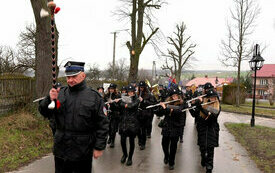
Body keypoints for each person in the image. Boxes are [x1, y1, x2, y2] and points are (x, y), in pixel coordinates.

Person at [39, 61, 109, 173]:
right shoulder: (60, 94)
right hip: (61, 151)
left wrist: (99, 147)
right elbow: (44, 112)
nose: (70, 80)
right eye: (68, 77)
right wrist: (49, 99)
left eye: (74, 76)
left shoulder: (94, 97)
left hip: (82, 152)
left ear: (83, 75)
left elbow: (102, 124)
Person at [189, 82, 221, 173]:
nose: (212, 99)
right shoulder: (204, 103)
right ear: (207, 98)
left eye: (214, 98)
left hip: (212, 130)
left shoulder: (217, 107)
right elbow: (195, 115)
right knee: (202, 149)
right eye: (210, 98)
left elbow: (211, 117)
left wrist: (201, 106)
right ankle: (203, 159)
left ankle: (209, 168)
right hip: (202, 129)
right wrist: (192, 106)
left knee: (210, 151)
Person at [158, 87, 187, 170]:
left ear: (178, 96)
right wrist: (161, 107)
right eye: (173, 96)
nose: (174, 97)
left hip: (176, 127)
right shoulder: (168, 102)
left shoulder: (182, 103)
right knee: (164, 143)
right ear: (170, 97)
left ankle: (171, 162)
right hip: (167, 126)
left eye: (176, 96)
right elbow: (160, 113)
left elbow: (179, 112)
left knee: (173, 146)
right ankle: (166, 155)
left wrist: (167, 108)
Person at [118, 85, 140, 166]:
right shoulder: (123, 98)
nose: (130, 93)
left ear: (134, 92)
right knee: (122, 141)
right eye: (129, 92)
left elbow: (132, 106)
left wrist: (125, 105)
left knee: (131, 141)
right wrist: (117, 102)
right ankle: (125, 154)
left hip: (132, 123)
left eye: (132, 92)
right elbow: (120, 105)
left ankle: (130, 157)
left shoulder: (137, 100)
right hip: (123, 122)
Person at [137, 81, 156, 150]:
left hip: (145, 114)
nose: (141, 88)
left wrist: (143, 101)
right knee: (138, 129)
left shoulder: (149, 95)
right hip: (138, 114)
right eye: (140, 87)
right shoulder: (137, 94)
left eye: (142, 87)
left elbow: (152, 104)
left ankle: (143, 143)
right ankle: (140, 140)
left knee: (143, 130)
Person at [104, 83, 121, 148]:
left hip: (115, 114)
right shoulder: (106, 95)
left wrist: (112, 104)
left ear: (114, 89)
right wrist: (106, 105)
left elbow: (119, 106)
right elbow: (103, 104)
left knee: (113, 128)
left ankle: (112, 141)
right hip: (107, 114)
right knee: (108, 128)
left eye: (112, 89)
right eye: (110, 89)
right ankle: (110, 137)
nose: (111, 90)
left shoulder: (117, 96)